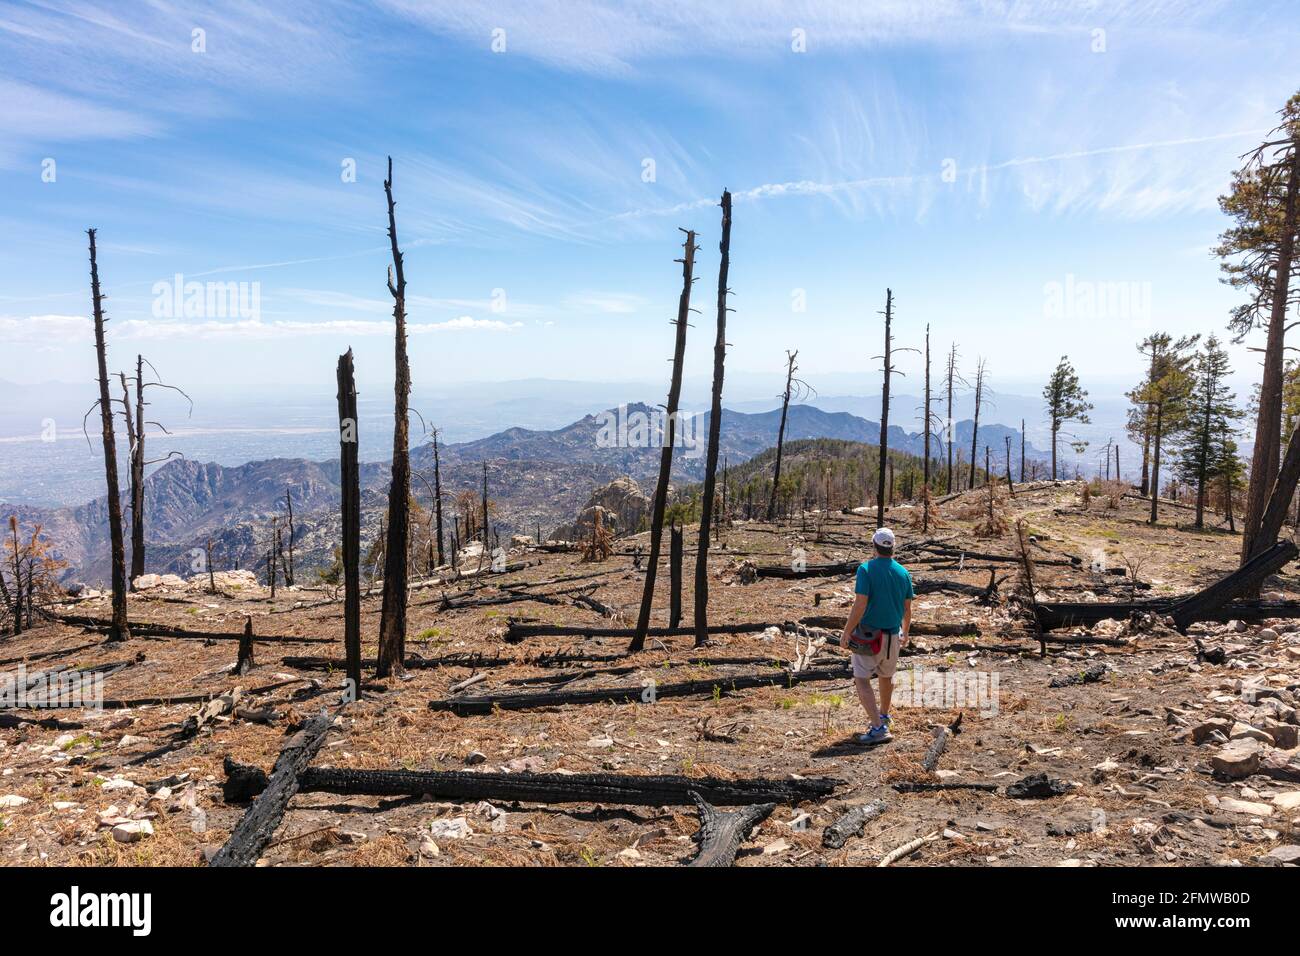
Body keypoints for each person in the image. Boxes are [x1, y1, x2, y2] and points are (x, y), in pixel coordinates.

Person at [840, 527, 914, 744]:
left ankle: (878, 728)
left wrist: (846, 632)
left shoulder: (866, 569)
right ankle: (884, 715)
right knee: (886, 676)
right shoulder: (903, 572)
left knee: (862, 679)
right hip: (893, 635)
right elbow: (907, 608)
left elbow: (860, 604)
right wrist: (905, 632)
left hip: (870, 637)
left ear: (874, 545)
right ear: (892, 547)